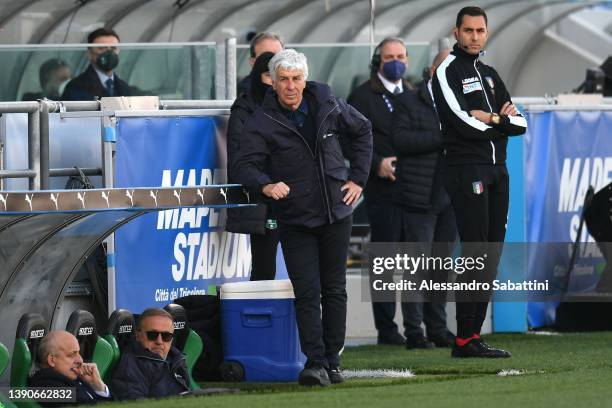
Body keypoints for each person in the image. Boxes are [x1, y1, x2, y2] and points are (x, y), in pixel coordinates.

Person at [235, 49, 372, 386]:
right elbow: (243, 165)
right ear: (273, 81)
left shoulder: (327, 101)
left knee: (334, 289)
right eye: (284, 79)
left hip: (337, 213)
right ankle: (315, 362)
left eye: (296, 79)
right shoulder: (261, 120)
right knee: (307, 292)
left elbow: (364, 130)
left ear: (304, 79)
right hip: (295, 219)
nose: (291, 86)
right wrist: (266, 185)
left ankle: (333, 360)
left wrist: (358, 180)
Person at [431, 6, 527, 358]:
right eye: (468, 30)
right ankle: (463, 339)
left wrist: (491, 117)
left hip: (498, 169)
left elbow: (522, 124)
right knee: (475, 252)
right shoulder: (446, 72)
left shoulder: (490, 73)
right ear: (456, 32)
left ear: (486, 33)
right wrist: (500, 122)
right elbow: (461, 123)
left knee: (491, 253)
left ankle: (472, 335)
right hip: (466, 169)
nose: (474, 36)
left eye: (480, 31)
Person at [347, 37, 412, 346]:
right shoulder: (362, 97)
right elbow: (347, 141)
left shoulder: (414, 94)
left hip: (416, 191)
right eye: (389, 57)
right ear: (378, 61)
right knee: (385, 259)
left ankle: (419, 326)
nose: (396, 61)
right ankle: (387, 329)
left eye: (400, 55)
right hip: (383, 191)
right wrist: (376, 165)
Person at [391, 49, 457, 349]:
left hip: (450, 196)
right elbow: (401, 140)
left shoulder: (461, 104)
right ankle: (414, 332)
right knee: (417, 267)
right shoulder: (407, 101)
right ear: (431, 70)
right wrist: (443, 138)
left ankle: (438, 329)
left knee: (441, 267)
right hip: (418, 196)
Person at [226, 51, 280, 281]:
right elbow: (240, 159)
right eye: (270, 76)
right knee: (264, 269)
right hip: (264, 200)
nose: (276, 83)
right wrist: (265, 184)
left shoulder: (298, 105)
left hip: (296, 200)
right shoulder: (244, 109)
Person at [112, 308, 190, 399]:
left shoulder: (177, 358)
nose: (159, 341)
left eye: (166, 336)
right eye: (152, 335)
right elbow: (134, 402)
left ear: (172, 339)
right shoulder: (131, 365)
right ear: (138, 336)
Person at [29, 331, 110, 406]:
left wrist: (98, 386)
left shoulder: (75, 377)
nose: (80, 360)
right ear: (52, 360)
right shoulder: (46, 385)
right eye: (72, 354)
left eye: (79, 353)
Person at [61, 27, 136, 100]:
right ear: (89, 53)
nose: (109, 52)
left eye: (113, 48)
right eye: (102, 48)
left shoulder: (124, 88)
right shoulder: (76, 87)